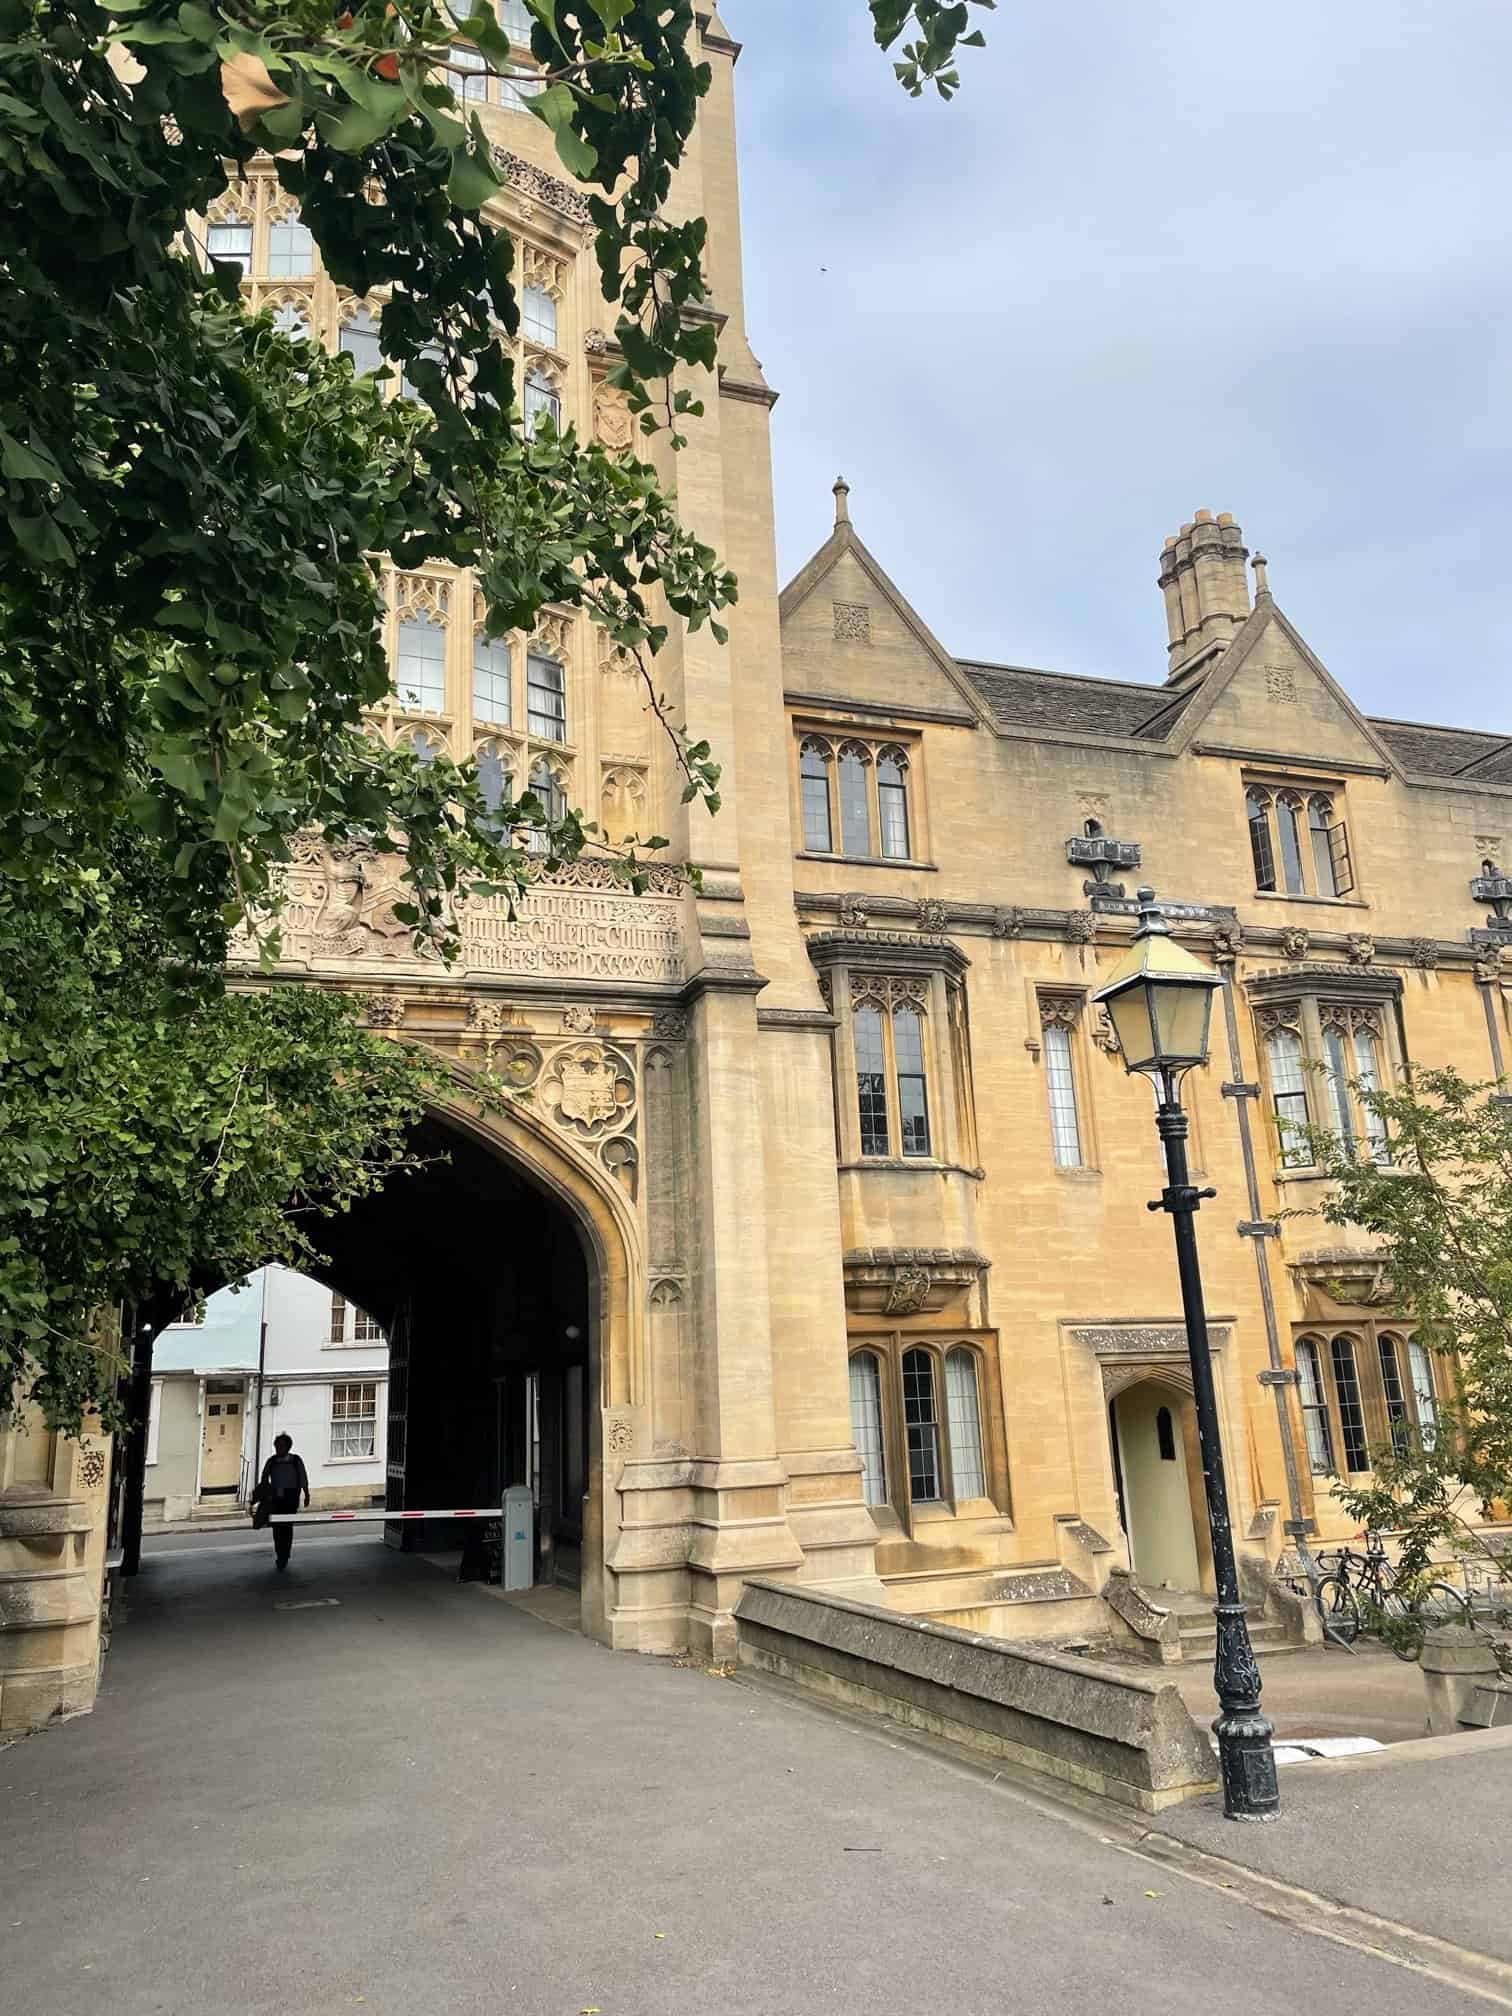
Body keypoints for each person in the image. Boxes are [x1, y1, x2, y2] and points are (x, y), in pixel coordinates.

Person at [258, 1434, 310, 1570]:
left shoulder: (295, 1460)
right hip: (276, 1498)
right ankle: (280, 1554)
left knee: (286, 1527)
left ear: (288, 1447)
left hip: (290, 1497)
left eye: (281, 1446)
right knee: (277, 1528)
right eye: (277, 1446)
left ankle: (285, 1554)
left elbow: (303, 1477)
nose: (278, 1448)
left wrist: (306, 1494)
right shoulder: (272, 1461)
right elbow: (264, 1478)